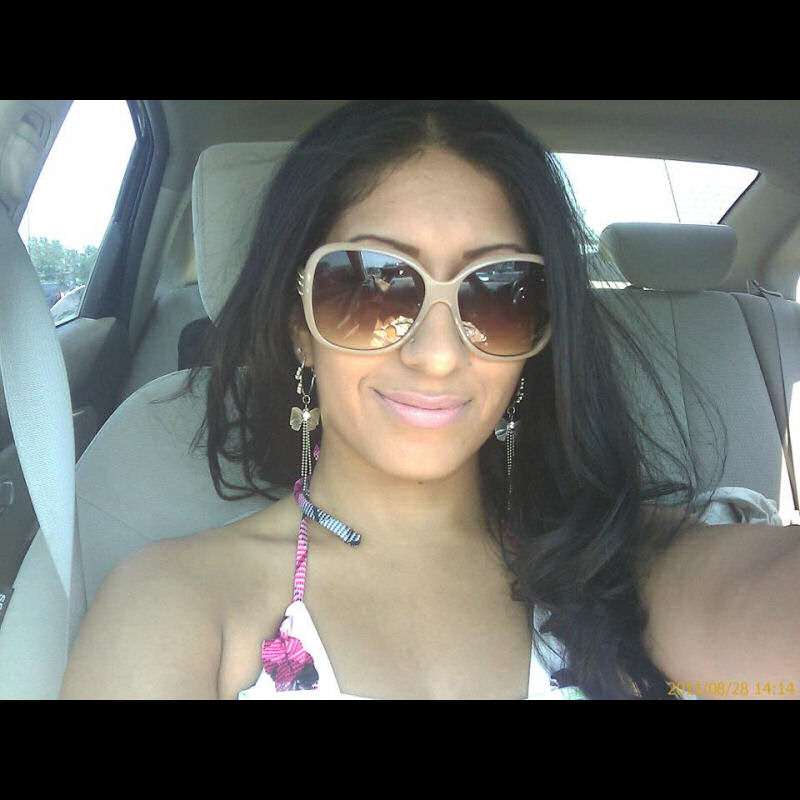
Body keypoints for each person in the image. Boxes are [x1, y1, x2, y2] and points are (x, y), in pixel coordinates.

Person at [59, 100, 799, 700]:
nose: (439, 353)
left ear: (539, 333)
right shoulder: (178, 604)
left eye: (498, 293)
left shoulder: (621, 565)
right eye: (369, 285)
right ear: (299, 325)